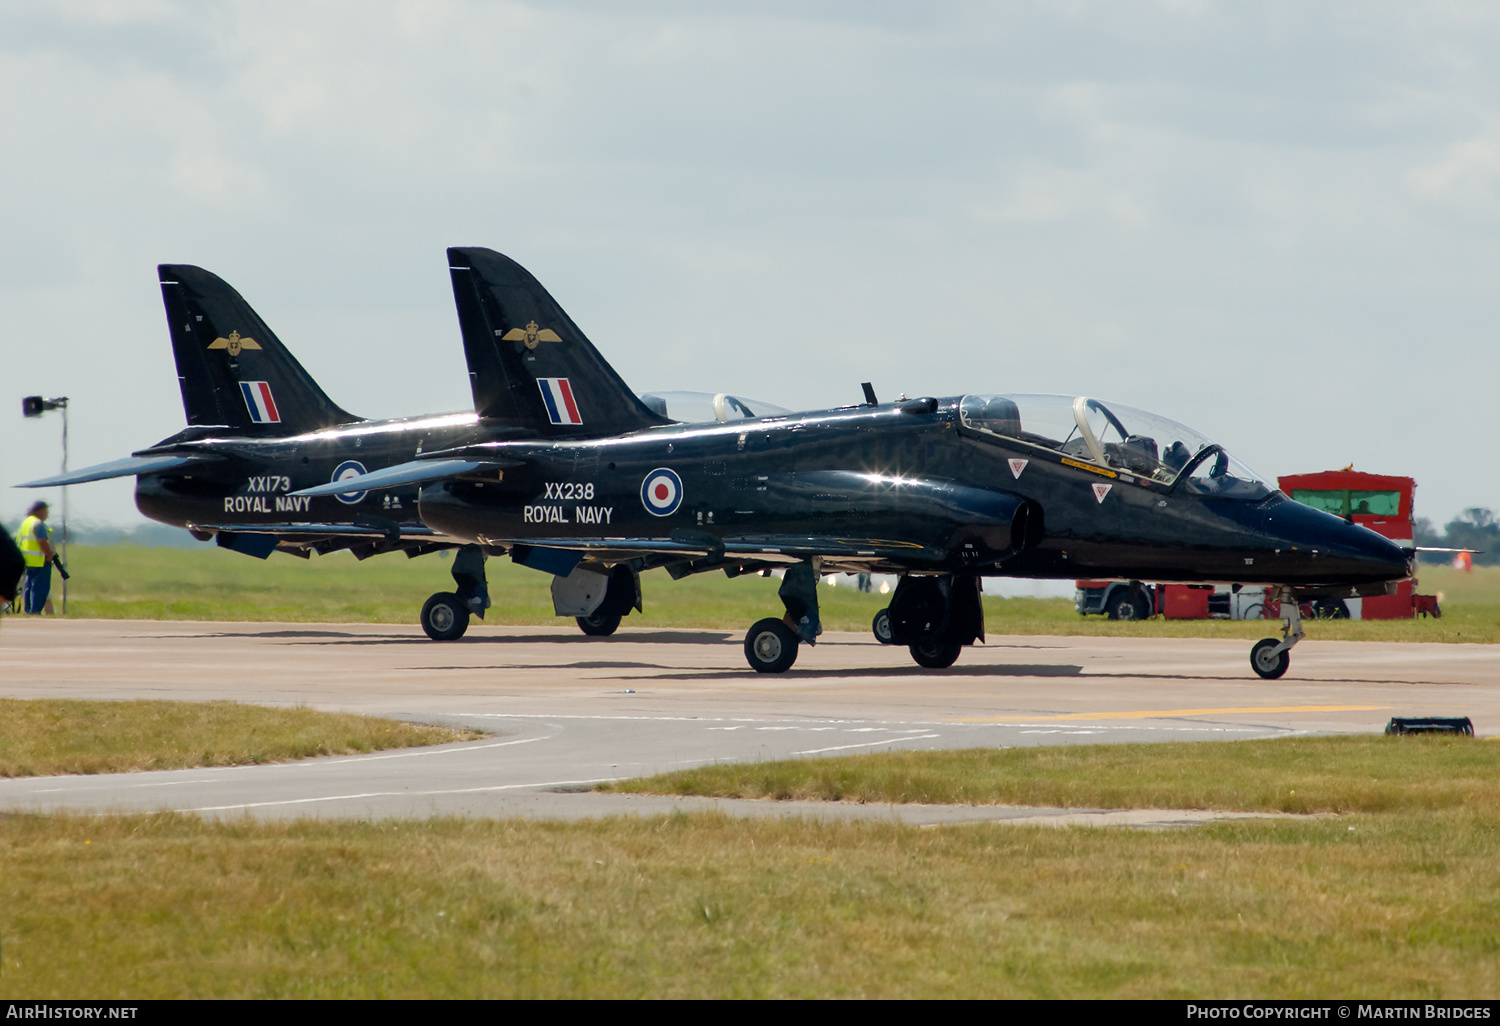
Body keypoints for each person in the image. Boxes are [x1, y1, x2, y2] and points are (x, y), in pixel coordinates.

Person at [14, 501, 58, 614]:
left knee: (29, 587)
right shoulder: (38, 524)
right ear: (41, 510)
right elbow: (42, 541)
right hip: (40, 561)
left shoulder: (26, 523)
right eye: (46, 511)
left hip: (28, 561)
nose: (47, 514)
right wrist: (48, 555)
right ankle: (36, 611)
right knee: (40, 588)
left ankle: (28, 610)